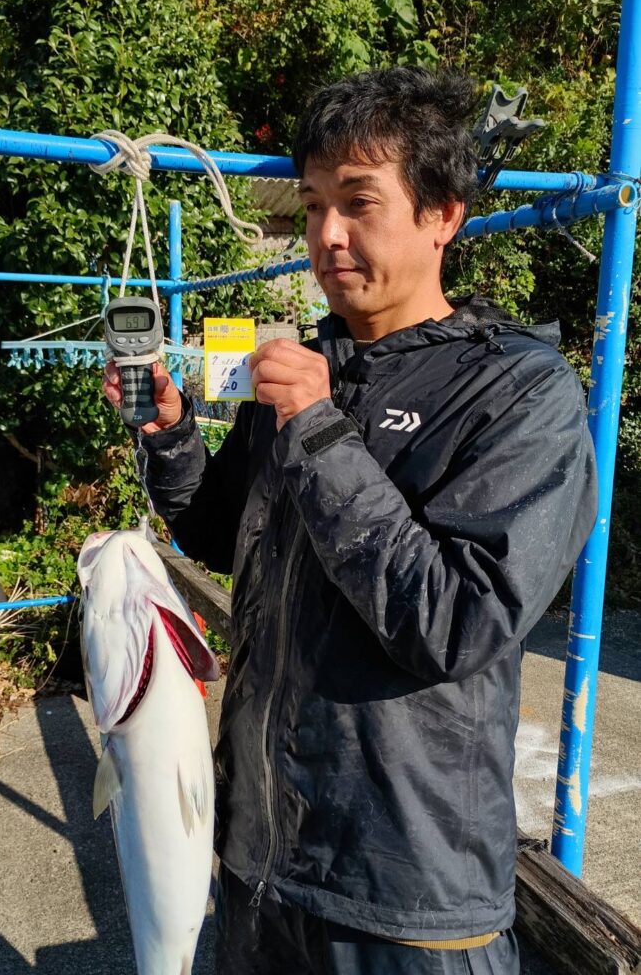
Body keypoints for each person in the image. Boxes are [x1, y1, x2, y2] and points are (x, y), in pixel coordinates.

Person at [104, 66, 597, 975]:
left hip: (407, 891)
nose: (327, 235)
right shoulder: (302, 367)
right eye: (313, 205)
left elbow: (456, 621)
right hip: (259, 862)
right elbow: (218, 535)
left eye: (359, 202)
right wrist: (170, 435)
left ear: (442, 214)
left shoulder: (517, 392)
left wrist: (319, 429)